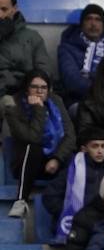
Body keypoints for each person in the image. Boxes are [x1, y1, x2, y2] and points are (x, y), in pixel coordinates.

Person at [4, 70, 74, 219]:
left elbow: (70, 136)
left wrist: (57, 158)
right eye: (34, 87)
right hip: (27, 163)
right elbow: (32, 137)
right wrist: (39, 109)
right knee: (33, 148)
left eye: (43, 87)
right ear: (26, 89)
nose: (39, 91)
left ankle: (71, 205)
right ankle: (21, 200)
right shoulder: (14, 107)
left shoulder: (56, 102)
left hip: (53, 161)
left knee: (75, 158)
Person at [44, 125, 104, 238]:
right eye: (95, 146)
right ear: (84, 149)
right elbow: (49, 196)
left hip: (102, 225)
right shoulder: (72, 169)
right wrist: (67, 211)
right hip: (75, 224)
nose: (100, 151)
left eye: (103, 146)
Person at [58, 3, 104, 105]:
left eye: (98, 19)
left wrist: (91, 77)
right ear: (82, 24)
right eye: (89, 19)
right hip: (79, 102)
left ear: (103, 25)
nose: (93, 24)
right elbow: (73, 83)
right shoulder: (67, 49)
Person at [0, 0, 54, 101]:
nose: (0, 15)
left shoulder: (32, 38)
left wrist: (27, 86)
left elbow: (44, 72)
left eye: (4, 9)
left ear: (14, 9)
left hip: (27, 94)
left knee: (57, 101)